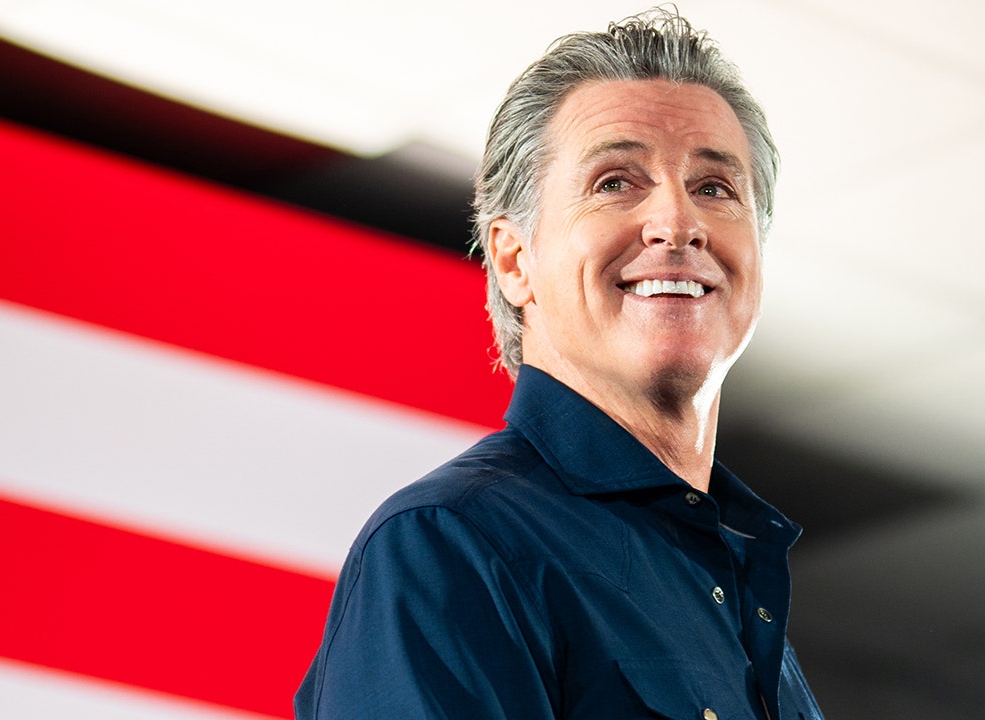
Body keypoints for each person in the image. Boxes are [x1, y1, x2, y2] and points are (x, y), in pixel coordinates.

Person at [295, 7, 826, 720]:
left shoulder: (735, 590)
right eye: (615, 182)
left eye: (715, 188)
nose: (679, 222)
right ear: (516, 260)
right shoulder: (453, 544)